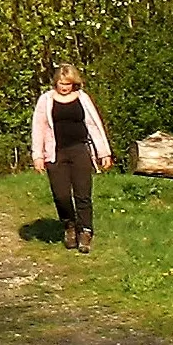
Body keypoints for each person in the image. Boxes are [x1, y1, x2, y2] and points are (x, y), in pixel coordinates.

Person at [31, 63, 113, 254]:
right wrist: (38, 155)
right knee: (61, 195)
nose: (64, 87)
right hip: (56, 153)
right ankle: (69, 225)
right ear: (55, 83)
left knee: (82, 194)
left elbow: (94, 125)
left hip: (80, 150)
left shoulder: (83, 99)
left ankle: (85, 231)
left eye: (67, 83)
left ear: (74, 83)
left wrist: (104, 153)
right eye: (61, 83)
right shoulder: (46, 100)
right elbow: (39, 128)